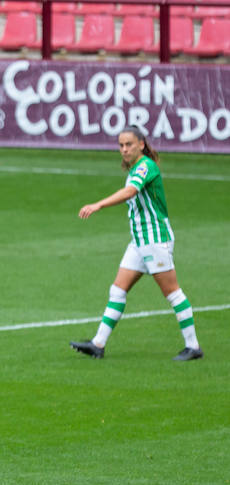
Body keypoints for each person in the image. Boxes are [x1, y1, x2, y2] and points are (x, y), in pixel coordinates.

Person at [71, 126, 202, 361]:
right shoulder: (134, 169)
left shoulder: (145, 166)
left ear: (141, 144)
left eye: (128, 144)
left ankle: (193, 346)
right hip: (140, 242)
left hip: (155, 240)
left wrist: (98, 205)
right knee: (117, 290)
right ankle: (98, 344)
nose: (124, 149)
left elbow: (130, 192)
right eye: (121, 145)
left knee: (173, 293)